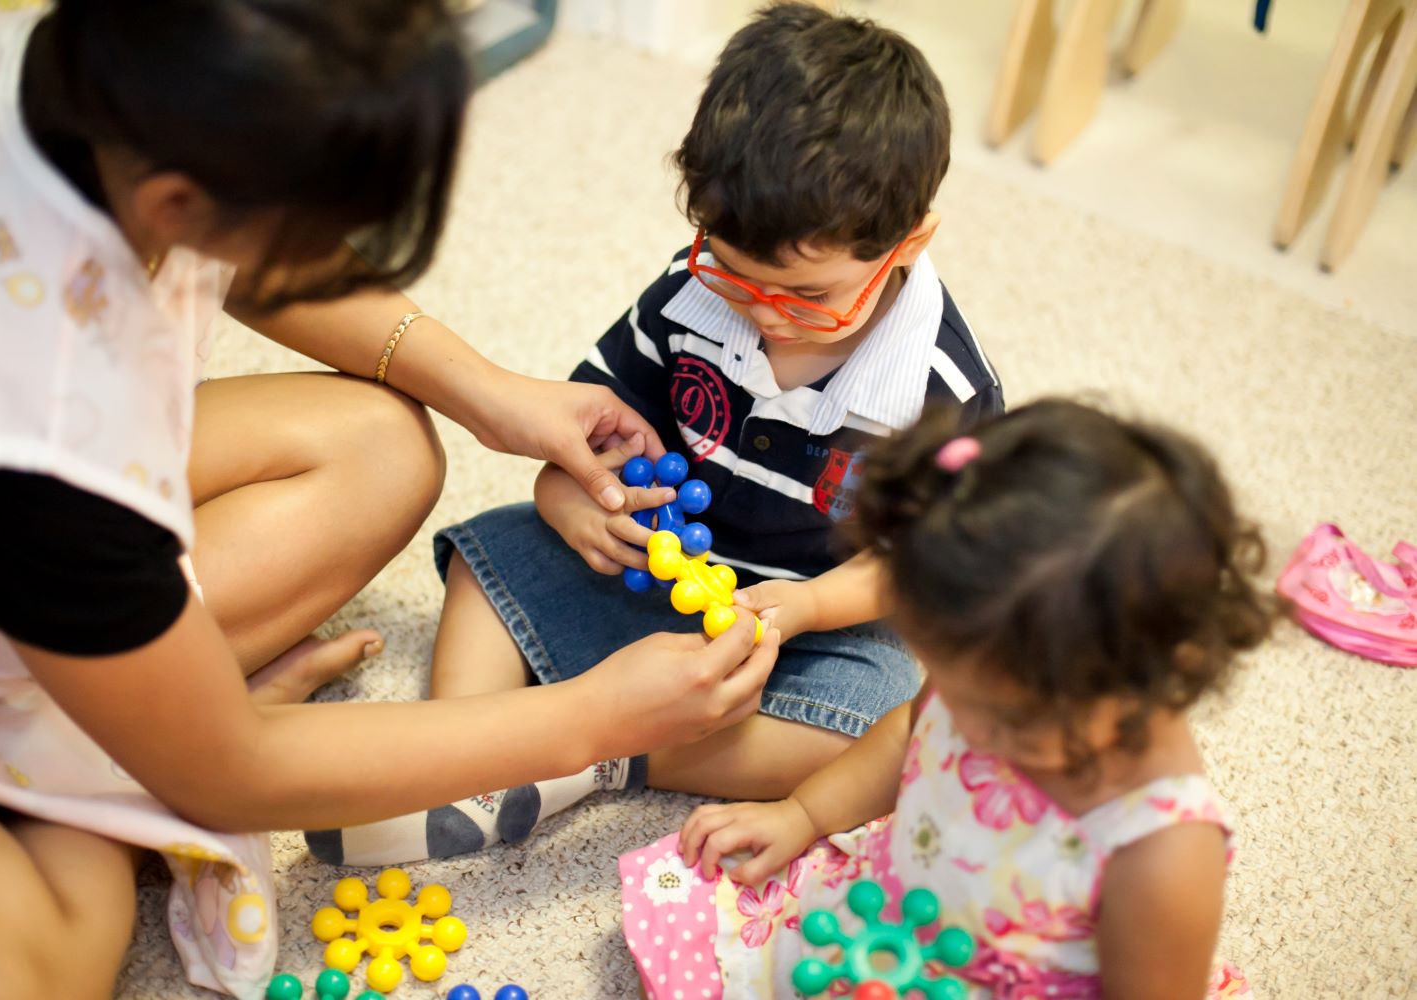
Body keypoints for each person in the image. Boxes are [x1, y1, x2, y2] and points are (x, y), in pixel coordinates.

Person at [0, 2, 777, 997]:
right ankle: (102, 759)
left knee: (381, 446)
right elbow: (228, 774)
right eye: (319, 227)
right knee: (22, 971)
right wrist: (595, 717)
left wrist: (489, 395)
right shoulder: (49, 440)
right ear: (177, 198)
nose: (340, 246)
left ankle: (125, 711)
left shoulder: (74, 70)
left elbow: (238, 258)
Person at [308, 1, 1003, 867]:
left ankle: (601, 760)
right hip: (654, 567)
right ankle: (466, 749)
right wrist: (572, 505)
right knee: (495, 563)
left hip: (814, 620)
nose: (762, 317)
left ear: (908, 244)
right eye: (733, 272)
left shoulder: (943, 392)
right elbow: (583, 428)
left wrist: (814, 605)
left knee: (875, 733)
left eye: (808, 298)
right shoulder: (692, 290)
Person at [624, 400, 1275, 999]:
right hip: (891, 909)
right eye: (954, 691)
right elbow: (911, 731)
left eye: (1005, 719)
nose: (966, 726)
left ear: (1154, 673)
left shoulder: (1163, 854)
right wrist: (804, 814)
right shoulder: (985, 678)